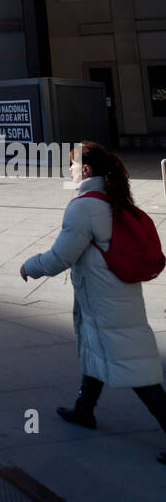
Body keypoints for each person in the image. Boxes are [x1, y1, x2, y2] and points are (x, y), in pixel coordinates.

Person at [21, 140, 166, 463]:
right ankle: (84, 409)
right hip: (115, 296)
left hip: (106, 302)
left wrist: (29, 266)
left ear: (85, 170)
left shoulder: (83, 206)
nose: (69, 170)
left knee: (137, 373)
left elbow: (61, 256)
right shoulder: (111, 199)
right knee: (96, 349)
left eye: (72, 165)